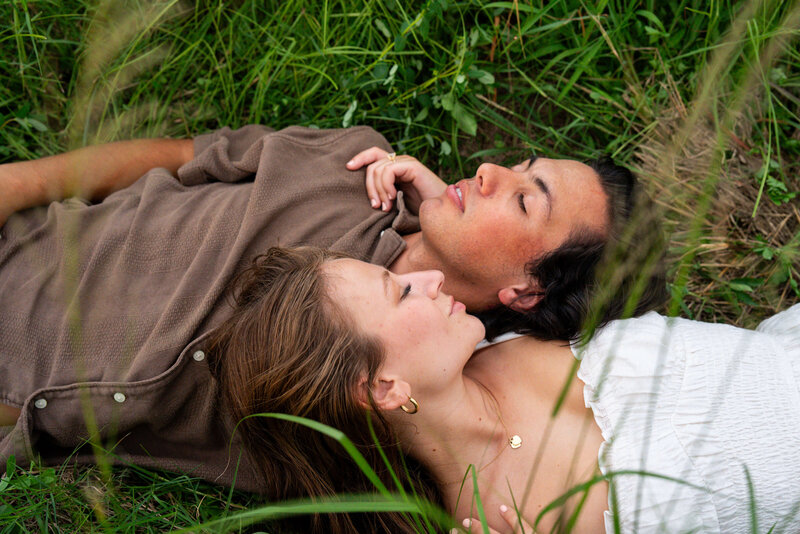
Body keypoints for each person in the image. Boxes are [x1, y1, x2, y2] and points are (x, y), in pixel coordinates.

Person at [0, 124, 666, 486]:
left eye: (524, 199)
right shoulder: (351, 165)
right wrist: (17, 182)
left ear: (526, 291)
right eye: (521, 164)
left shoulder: (393, 386)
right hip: (20, 233)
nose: (491, 172)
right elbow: (183, 157)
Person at [208, 246, 800, 533]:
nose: (429, 277)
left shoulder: (509, 325)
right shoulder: (498, 525)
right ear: (384, 387)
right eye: (401, 291)